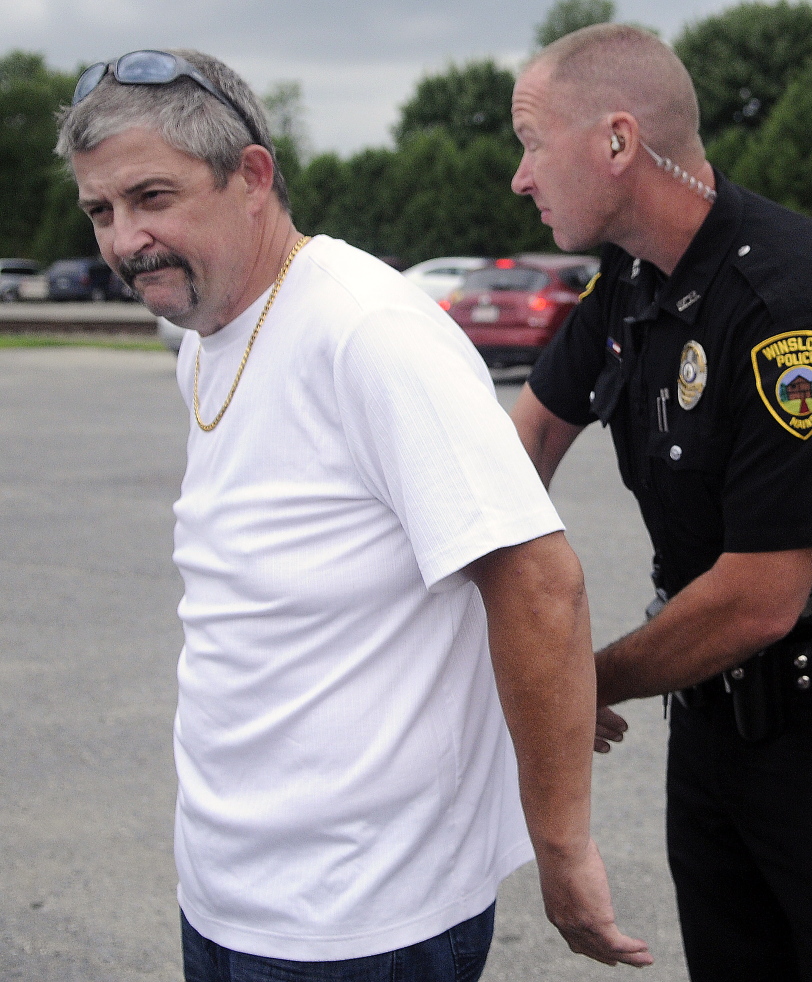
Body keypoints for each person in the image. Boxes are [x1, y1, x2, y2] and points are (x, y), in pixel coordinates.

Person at [56, 48, 652, 980]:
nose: (125, 239)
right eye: (102, 210)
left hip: (362, 918)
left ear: (251, 177)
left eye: (152, 198)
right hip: (227, 890)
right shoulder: (206, 339)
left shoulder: (368, 330)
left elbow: (538, 582)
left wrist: (563, 850)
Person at [509, 23, 812, 982]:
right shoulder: (629, 284)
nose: (520, 177)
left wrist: (582, 684)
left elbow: (758, 596)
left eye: (532, 142)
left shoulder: (790, 305)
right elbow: (526, 440)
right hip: (709, 725)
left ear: (618, 143)